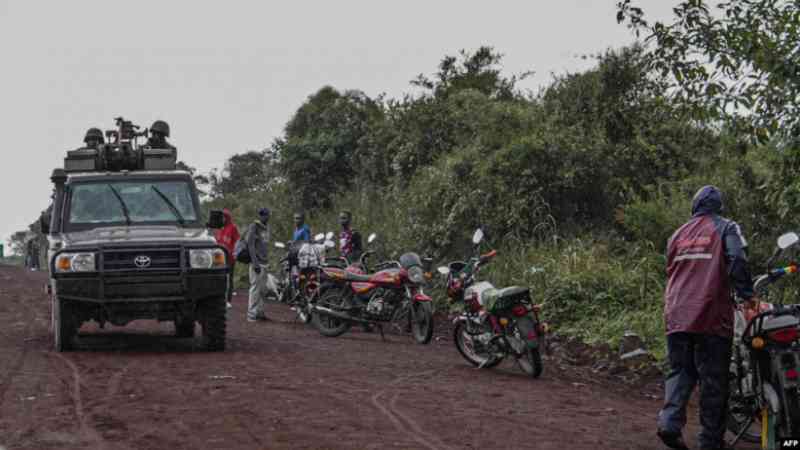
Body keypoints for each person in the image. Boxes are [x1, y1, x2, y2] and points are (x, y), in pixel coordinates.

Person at [657, 185, 757, 450]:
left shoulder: (677, 234)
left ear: (695, 206)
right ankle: (710, 442)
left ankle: (668, 424)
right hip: (710, 317)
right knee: (713, 381)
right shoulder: (726, 227)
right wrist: (747, 294)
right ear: (719, 207)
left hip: (676, 313)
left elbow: (671, 271)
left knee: (680, 371)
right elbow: (736, 259)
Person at [246, 208, 271, 322]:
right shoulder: (254, 227)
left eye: (266, 215)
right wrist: (255, 262)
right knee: (255, 288)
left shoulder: (266, 228)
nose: (264, 217)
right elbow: (250, 245)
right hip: (257, 262)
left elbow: (265, 245)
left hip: (265, 262)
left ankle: (260, 312)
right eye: (262, 215)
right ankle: (251, 314)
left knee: (263, 289)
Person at [214, 208, 240, 309]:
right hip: (218, 256)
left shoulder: (233, 227)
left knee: (228, 278)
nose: (222, 219)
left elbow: (237, 242)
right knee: (218, 278)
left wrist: (235, 253)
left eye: (224, 217)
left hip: (229, 257)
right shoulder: (220, 228)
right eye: (222, 217)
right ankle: (218, 300)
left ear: (227, 218)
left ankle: (228, 300)